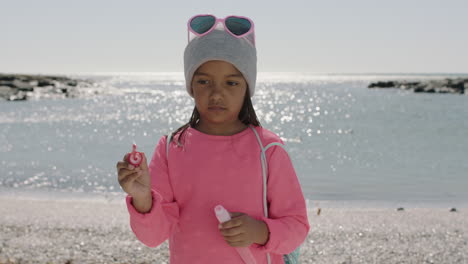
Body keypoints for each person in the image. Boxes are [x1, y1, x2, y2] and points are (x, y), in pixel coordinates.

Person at [116, 14, 310, 264]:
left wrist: (260, 232)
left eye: (231, 82)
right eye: (204, 81)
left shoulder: (268, 149)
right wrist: (142, 198)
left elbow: (297, 227)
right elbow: (153, 237)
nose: (217, 93)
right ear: (191, 86)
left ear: (246, 88)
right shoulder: (171, 148)